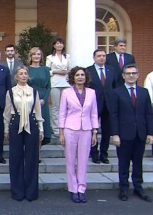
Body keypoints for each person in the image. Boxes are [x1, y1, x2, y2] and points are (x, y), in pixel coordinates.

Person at [111, 64, 153, 202]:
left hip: (140, 134)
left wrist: (150, 133)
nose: (131, 75)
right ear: (123, 75)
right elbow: (114, 115)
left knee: (138, 162)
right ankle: (123, 188)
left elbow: (148, 114)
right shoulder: (117, 92)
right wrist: (115, 134)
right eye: (128, 73)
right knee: (123, 163)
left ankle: (138, 187)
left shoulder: (144, 92)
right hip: (124, 134)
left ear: (137, 75)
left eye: (134, 73)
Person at [3, 65, 44, 202]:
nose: (24, 76)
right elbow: (7, 113)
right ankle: (17, 191)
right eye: (21, 73)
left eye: (25, 73)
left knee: (32, 158)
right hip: (15, 123)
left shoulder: (34, 92)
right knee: (16, 158)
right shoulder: (11, 92)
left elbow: (38, 111)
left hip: (31, 124)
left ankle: (31, 192)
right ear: (16, 76)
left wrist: (41, 128)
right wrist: (6, 129)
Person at [59, 67, 98, 204]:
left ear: (86, 77)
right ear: (73, 77)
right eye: (77, 75)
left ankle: (81, 189)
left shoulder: (92, 93)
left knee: (83, 161)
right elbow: (62, 113)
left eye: (82, 75)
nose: (80, 77)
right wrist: (61, 132)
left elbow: (94, 113)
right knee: (70, 161)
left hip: (86, 129)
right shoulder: (66, 93)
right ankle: (73, 189)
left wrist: (94, 132)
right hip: (70, 128)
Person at [86, 49, 117, 164]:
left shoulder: (111, 70)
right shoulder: (88, 71)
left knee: (106, 131)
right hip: (93, 104)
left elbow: (115, 87)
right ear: (94, 58)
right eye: (99, 56)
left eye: (103, 56)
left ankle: (104, 153)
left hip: (109, 105)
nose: (102, 58)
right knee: (92, 130)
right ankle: (94, 153)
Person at [46, 38, 71, 136]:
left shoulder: (67, 56)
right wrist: (56, 71)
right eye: (57, 43)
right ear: (54, 45)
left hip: (66, 83)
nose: (59, 45)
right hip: (55, 83)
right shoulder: (50, 57)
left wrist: (66, 72)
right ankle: (55, 128)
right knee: (55, 106)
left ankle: (65, 126)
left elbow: (70, 69)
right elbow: (47, 71)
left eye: (61, 43)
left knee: (66, 106)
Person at [27, 47, 52, 146]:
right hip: (30, 98)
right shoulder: (27, 69)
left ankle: (37, 153)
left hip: (43, 100)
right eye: (34, 54)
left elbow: (48, 87)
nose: (36, 56)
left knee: (42, 124)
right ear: (30, 56)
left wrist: (44, 100)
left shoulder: (46, 69)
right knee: (32, 124)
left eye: (38, 54)